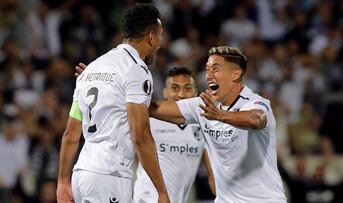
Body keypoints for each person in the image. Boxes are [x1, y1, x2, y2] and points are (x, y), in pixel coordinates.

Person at [56, 3, 170, 203]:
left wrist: (63, 182)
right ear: (151, 36)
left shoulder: (91, 69)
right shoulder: (136, 70)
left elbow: (71, 134)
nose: (160, 43)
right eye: (160, 36)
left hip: (81, 173)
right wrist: (161, 191)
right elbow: (141, 137)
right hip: (110, 175)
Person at [150, 46, 287, 202]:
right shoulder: (204, 105)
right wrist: (130, 96)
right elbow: (154, 109)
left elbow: (256, 119)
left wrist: (219, 115)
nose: (208, 75)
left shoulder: (256, 102)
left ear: (236, 74)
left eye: (216, 69)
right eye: (207, 69)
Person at [133, 67, 215, 203]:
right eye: (175, 88)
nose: (181, 94)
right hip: (147, 198)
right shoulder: (149, 120)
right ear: (165, 92)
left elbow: (212, 174)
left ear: (195, 93)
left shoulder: (203, 125)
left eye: (187, 88)